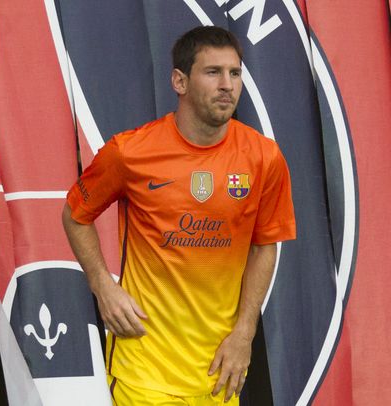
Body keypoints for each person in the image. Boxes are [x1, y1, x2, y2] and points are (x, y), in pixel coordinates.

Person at [62, 26, 296, 405]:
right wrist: (103, 286)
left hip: (218, 372)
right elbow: (75, 214)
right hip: (145, 369)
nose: (227, 85)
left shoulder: (264, 157)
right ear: (179, 81)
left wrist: (244, 333)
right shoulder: (129, 152)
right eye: (213, 72)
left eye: (235, 73)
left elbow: (265, 246)